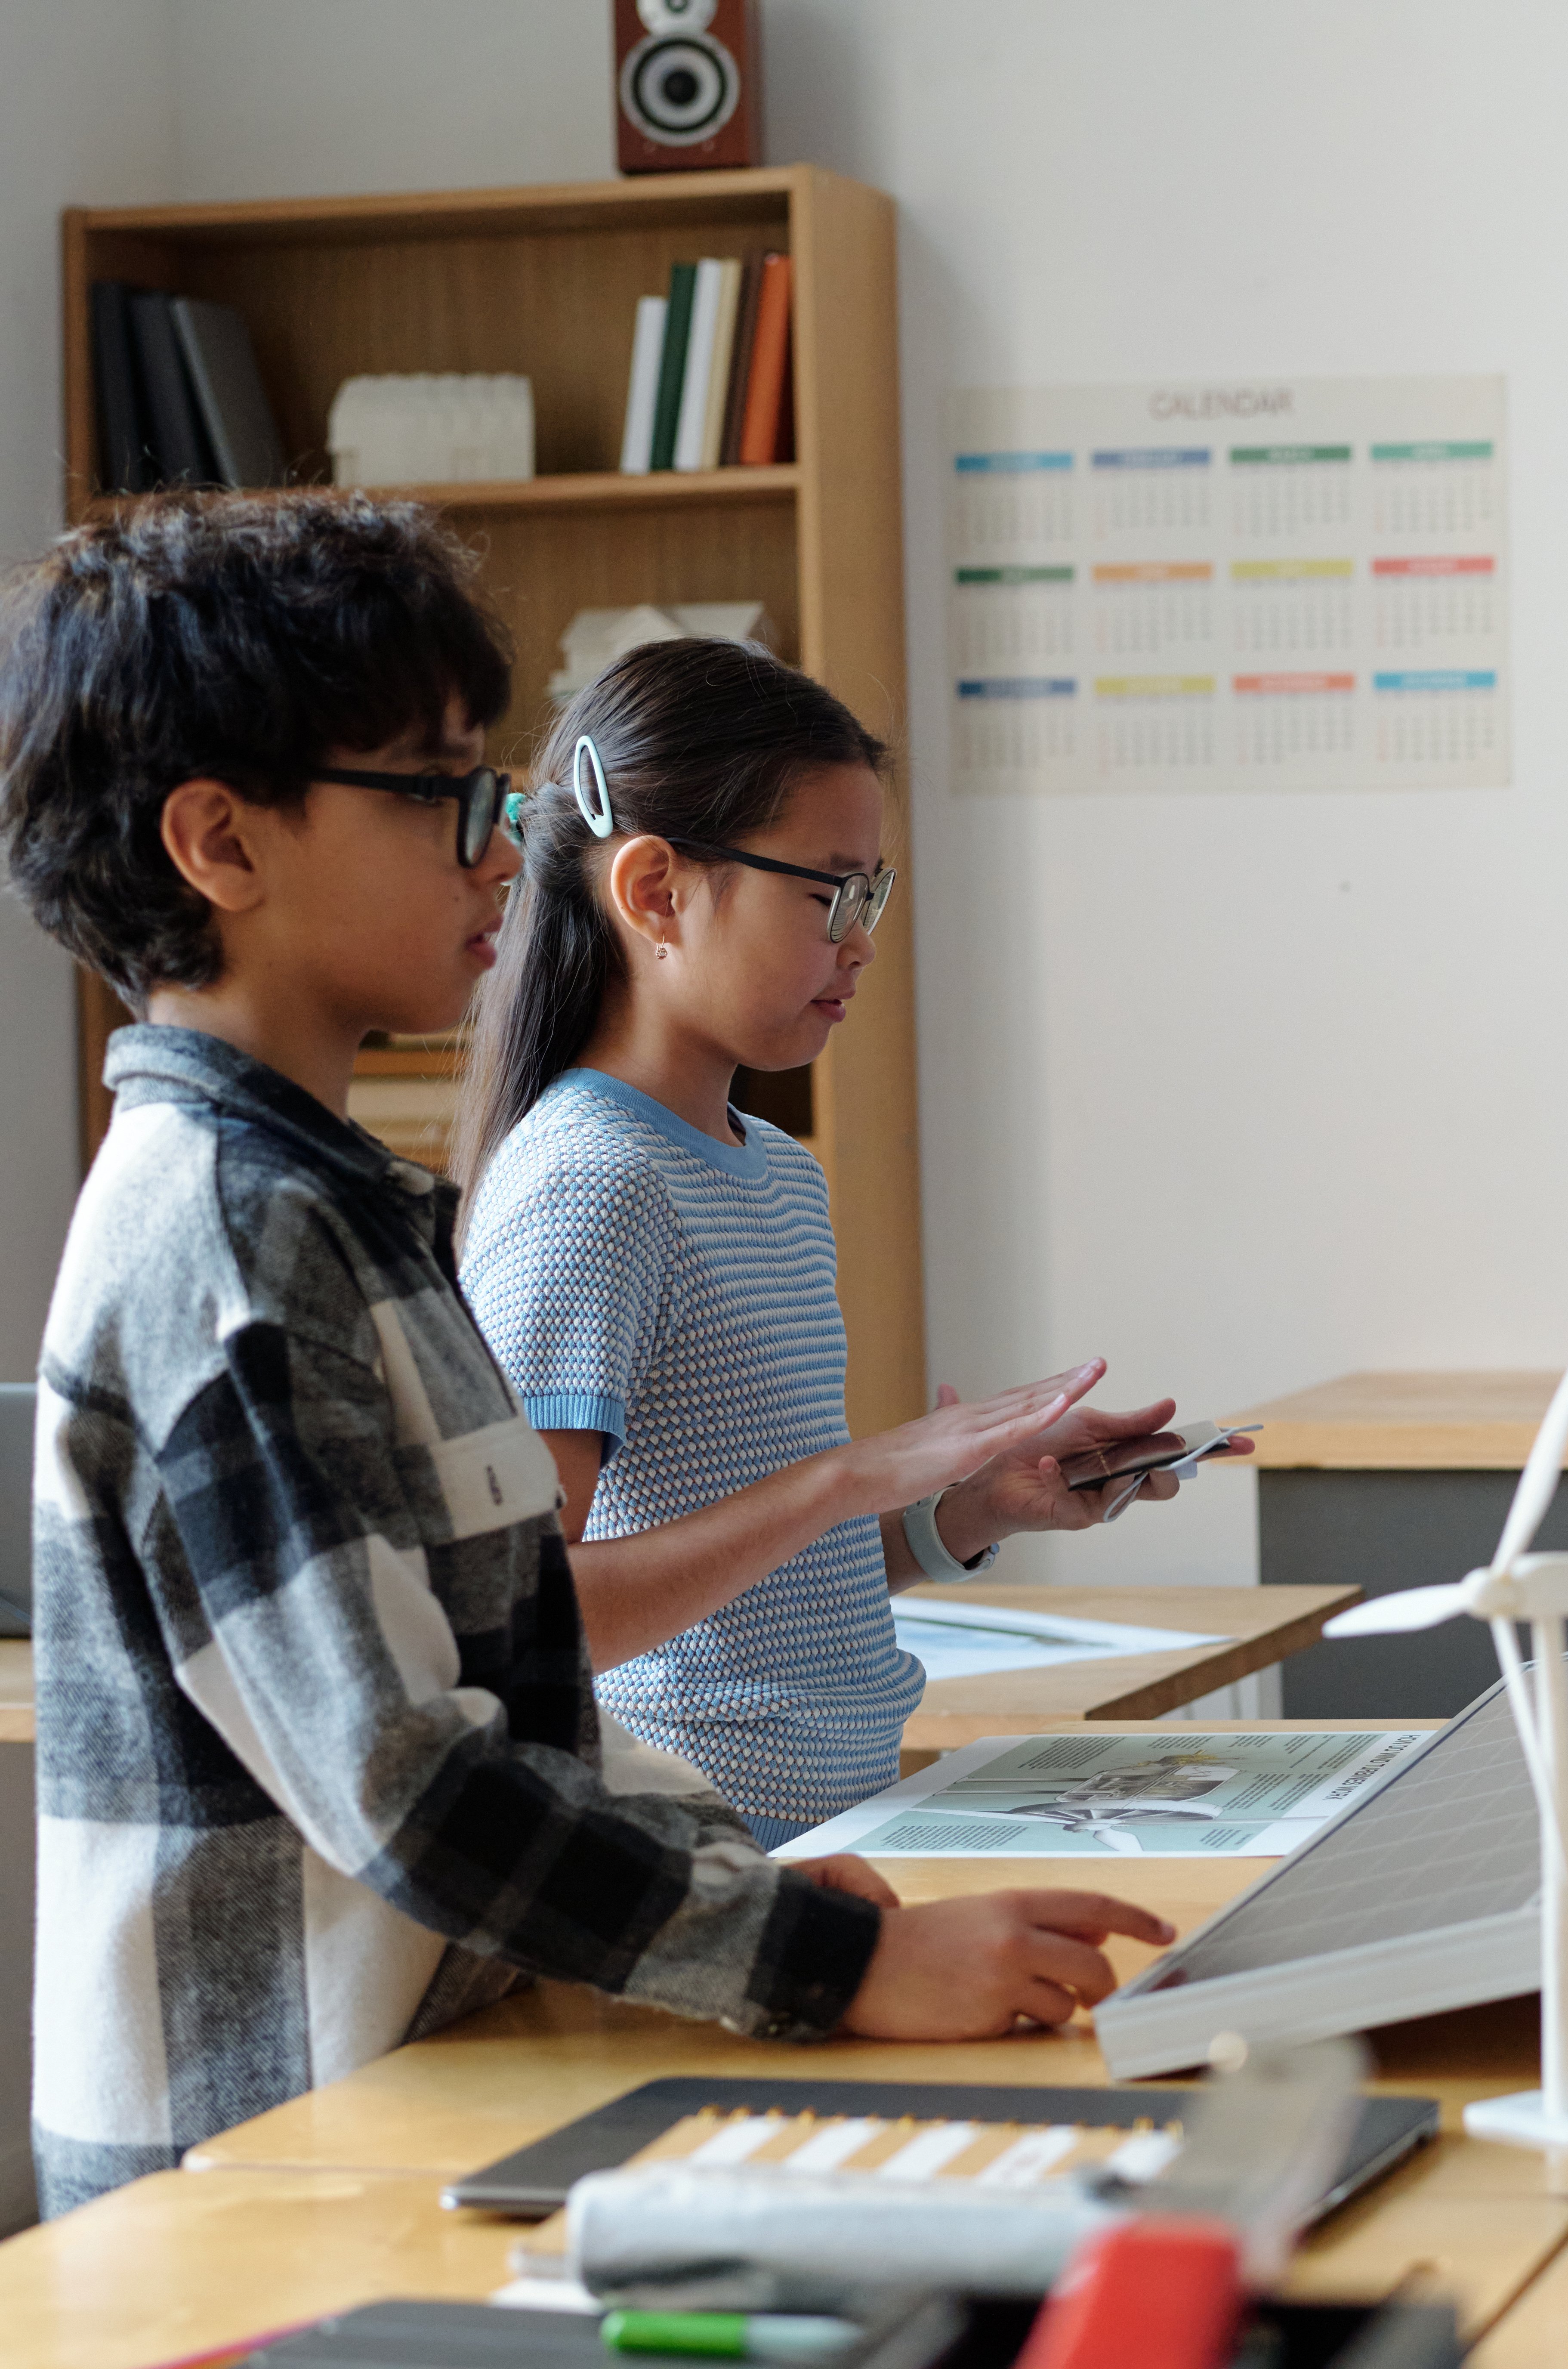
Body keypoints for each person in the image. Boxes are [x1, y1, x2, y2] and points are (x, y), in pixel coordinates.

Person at [0, 494, 1172, 2212]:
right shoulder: (228, 1249)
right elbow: (411, 1782)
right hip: (262, 2155)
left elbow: (525, 1662)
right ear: (222, 842)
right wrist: (822, 1963)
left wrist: (741, 1879)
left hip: (423, 2074)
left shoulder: (348, 1213)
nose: (499, 850)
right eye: (446, 795)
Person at [456, 635, 1215, 1845]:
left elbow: (771, 1584)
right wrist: (847, 1476)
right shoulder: (588, 1186)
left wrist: (962, 1513)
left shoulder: (776, 1179)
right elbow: (529, 1619)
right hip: (688, 1860)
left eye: (876, 893)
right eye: (831, 893)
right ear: (655, 893)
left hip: (834, 1831)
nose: (862, 940)